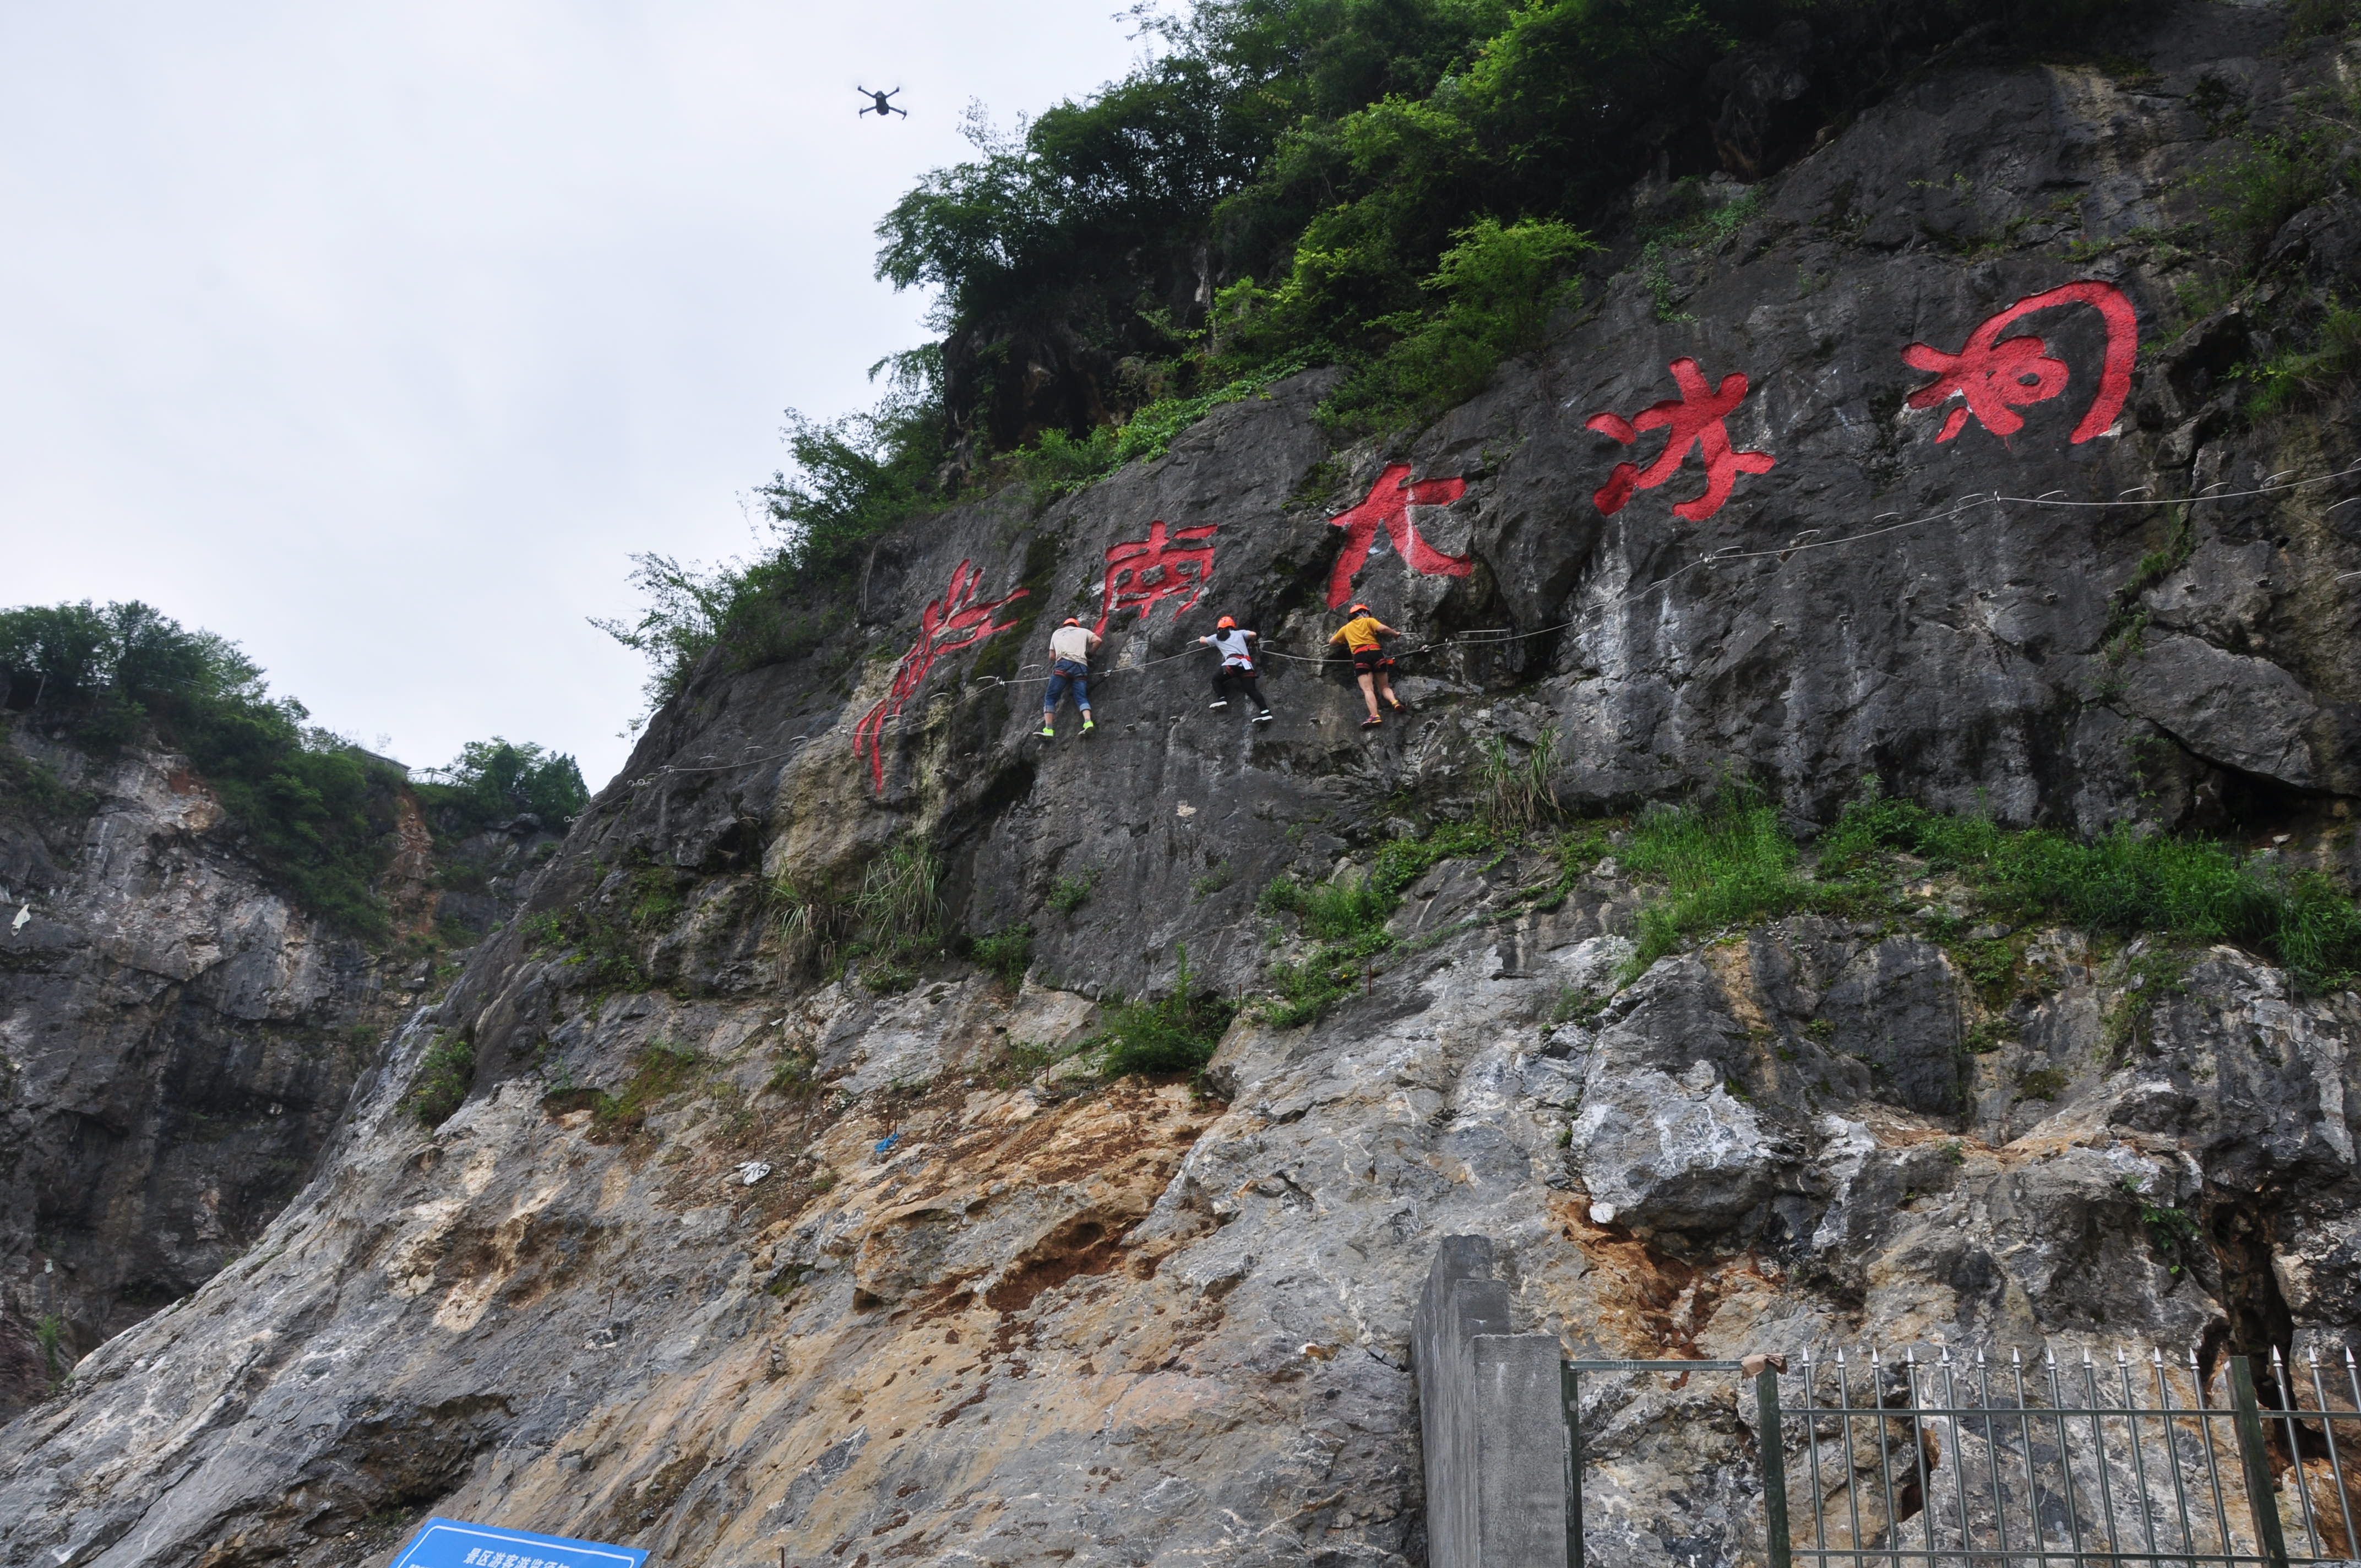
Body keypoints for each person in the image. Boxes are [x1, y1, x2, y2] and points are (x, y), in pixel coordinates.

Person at [1328, 603, 1405, 728]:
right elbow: (1383, 629)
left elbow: (1332, 642)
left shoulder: (1346, 629)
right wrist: (1395, 634)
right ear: (1364, 613)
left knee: (1368, 689)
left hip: (1360, 657)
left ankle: (1375, 716)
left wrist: (1345, 639)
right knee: (1384, 686)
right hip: (1376, 653)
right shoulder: (1369, 621)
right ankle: (1395, 702)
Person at [1198, 615, 1272, 722]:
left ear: (1219, 628)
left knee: (1216, 680)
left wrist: (1201, 637)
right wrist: (1252, 641)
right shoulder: (1240, 633)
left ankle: (1222, 699)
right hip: (1246, 665)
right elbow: (1253, 634)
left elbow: (1203, 641)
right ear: (1233, 626)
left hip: (1232, 665)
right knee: (1251, 690)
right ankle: (1266, 713)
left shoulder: (1217, 637)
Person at [1040, 617, 1100, 738]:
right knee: (1081, 697)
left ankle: (1049, 729)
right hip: (1081, 666)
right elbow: (1098, 640)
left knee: (1051, 697)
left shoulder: (1057, 633)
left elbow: (1052, 656)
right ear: (1076, 626)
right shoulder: (1084, 631)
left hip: (1064, 665)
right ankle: (1088, 722)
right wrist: (1090, 654)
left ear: (1064, 625)